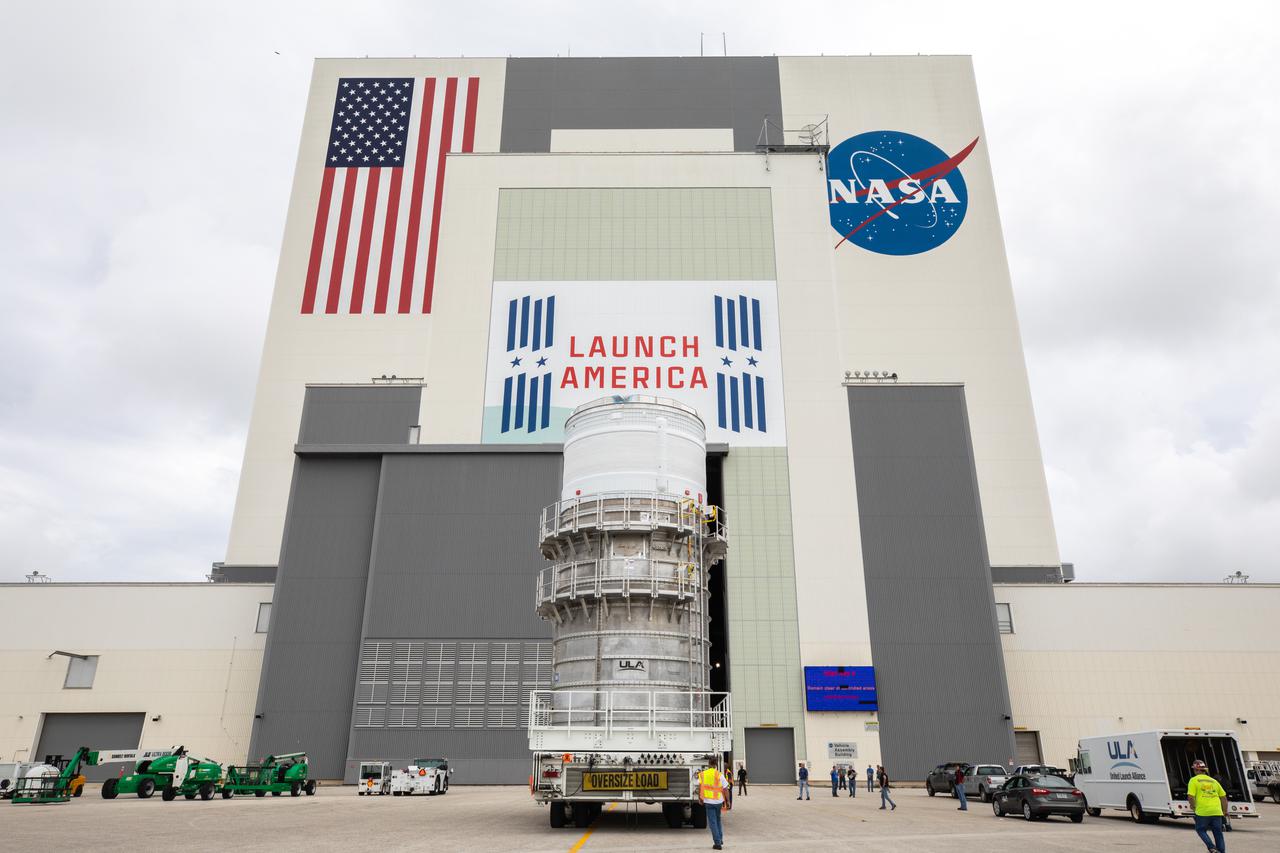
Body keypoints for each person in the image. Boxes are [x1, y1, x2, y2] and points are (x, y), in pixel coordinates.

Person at [1187, 759, 1228, 853]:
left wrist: (1193, 806)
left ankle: (1211, 847)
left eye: (1194, 769)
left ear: (1196, 770)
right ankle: (1221, 852)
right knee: (1218, 833)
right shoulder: (1214, 781)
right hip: (1217, 811)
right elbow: (1224, 798)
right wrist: (1225, 811)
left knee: (1200, 829)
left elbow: (1190, 796)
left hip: (1203, 811)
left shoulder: (1193, 780)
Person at [698, 755, 732, 851]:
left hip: (708, 802)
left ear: (708, 764)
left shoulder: (703, 774)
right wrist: (728, 801)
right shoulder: (719, 775)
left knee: (712, 823)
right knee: (718, 821)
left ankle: (717, 843)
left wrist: (700, 798)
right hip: (719, 802)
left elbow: (700, 787)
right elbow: (726, 789)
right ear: (716, 765)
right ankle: (720, 839)